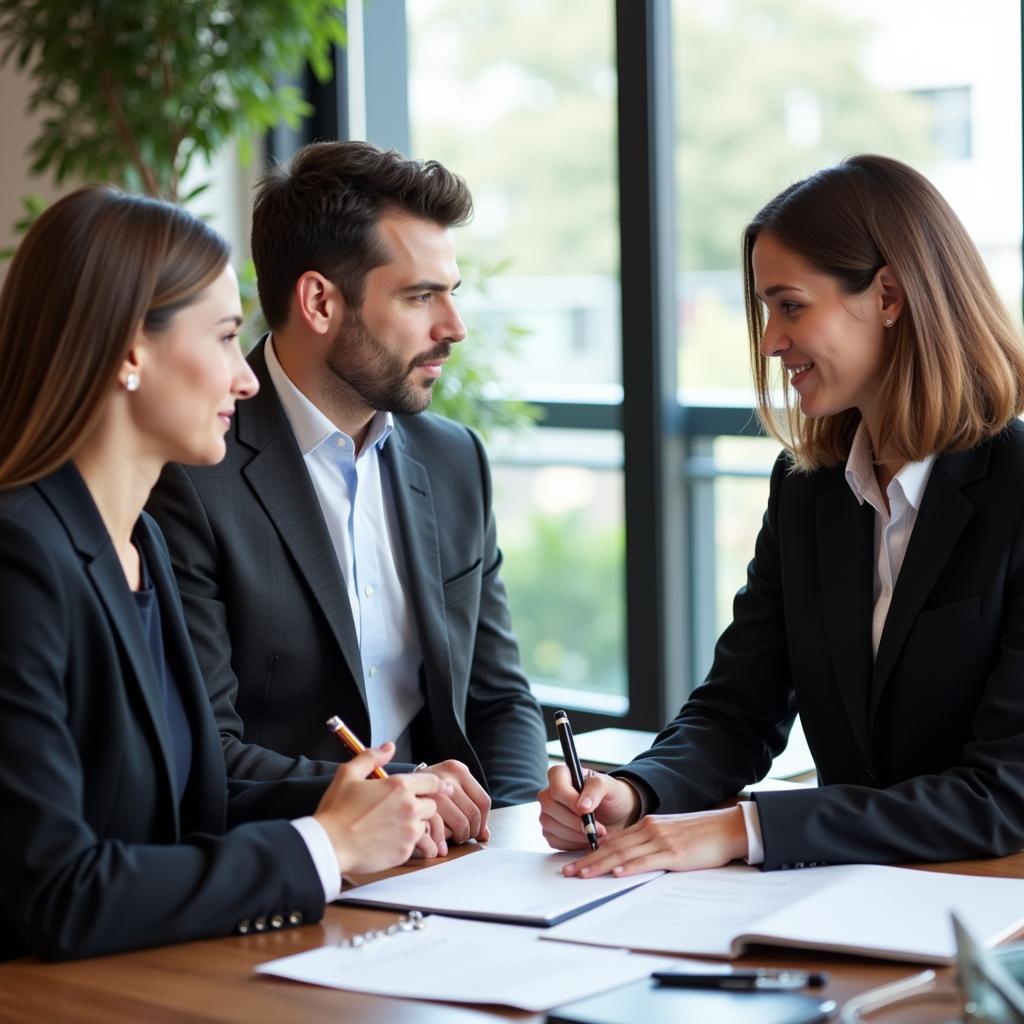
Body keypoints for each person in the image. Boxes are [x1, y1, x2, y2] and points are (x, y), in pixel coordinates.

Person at [539, 154, 1024, 876]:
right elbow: (738, 709)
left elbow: (1002, 795)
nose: (769, 341)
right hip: (846, 900)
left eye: (791, 305)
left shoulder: (1014, 486)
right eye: (767, 310)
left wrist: (744, 828)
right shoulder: (810, 490)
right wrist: (637, 792)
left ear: (888, 295)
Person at [0, 186, 448, 961]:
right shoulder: (20, 561)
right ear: (129, 351)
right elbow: (54, 891)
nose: (245, 380)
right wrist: (324, 846)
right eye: (222, 338)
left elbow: (193, 796)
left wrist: (375, 798)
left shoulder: (137, 543)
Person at [147, 140, 547, 852]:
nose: (453, 328)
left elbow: (500, 701)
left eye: (451, 293)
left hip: (459, 867)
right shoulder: (187, 471)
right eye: (421, 296)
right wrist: (397, 803)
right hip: (294, 865)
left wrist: (515, 837)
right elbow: (206, 749)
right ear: (320, 301)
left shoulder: (454, 459)